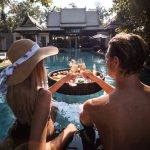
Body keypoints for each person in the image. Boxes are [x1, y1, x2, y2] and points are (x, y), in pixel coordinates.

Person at [0, 39, 77, 150]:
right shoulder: (43, 96)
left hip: (17, 133)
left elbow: (39, 96)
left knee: (53, 108)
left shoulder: (10, 89)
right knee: (55, 109)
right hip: (41, 138)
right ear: (37, 65)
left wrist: (64, 79)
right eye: (41, 60)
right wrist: (67, 131)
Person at [80, 33, 150, 150]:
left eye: (106, 57)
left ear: (115, 62)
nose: (106, 61)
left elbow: (85, 120)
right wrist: (96, 79)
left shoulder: (93, 106)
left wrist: (83, 108)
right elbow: (124, 97)